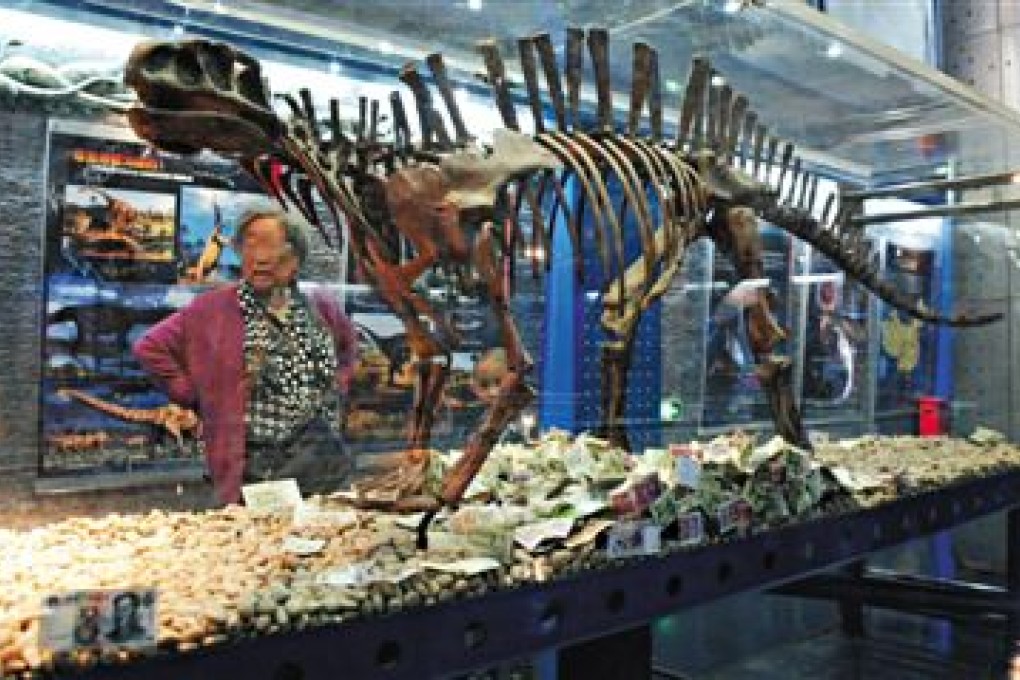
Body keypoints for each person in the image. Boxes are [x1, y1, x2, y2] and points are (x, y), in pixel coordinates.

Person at [134, 208, 358, 504]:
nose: (260, 257)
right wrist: (195, 395)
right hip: (256, 463)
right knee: (261, 541)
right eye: (250, 246)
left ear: (295, 259)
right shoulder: (211, 309)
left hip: (319, 455)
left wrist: (338, 385)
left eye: (272, 246)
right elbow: (149, 348)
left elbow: (348, 348)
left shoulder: (319, 304)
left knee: (328, 538)